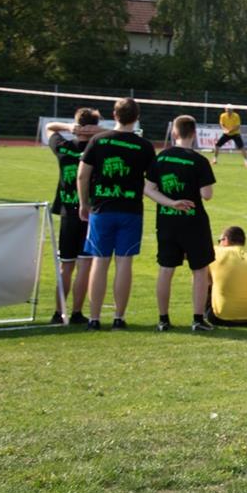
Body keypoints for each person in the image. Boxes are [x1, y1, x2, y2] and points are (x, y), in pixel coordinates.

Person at [77, 96, 157, 331]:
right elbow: (152, 181)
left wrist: (84, 203)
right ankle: (119, 318)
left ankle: (94, 318)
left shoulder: (99, 141)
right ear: (137, 117)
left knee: (100, 262)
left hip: (102, 208)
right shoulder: (144, 146)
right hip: (131, 209)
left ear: (114, 115)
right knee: (124, 263)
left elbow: (82, 175)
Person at [146, 115, 217, 332]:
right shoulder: (199, 160)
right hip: (194, 222)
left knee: (166, 269)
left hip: (167, 221)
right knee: (199, 269)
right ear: (194, 134)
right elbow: (207, 195)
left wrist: (171, 202)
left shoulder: (161, 158)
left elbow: (148, 189)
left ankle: (163, 320)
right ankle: (197, 319)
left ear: (174, 133)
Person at [43, 108, 103, 324]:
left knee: (65, 265)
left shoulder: (63, 147)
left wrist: (68, 128)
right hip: (91, 212)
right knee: (85, 265)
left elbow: (49, 127)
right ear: (95, 124)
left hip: (68, 212)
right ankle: (77, 312)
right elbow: (128, 136)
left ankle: (58, 313)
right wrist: (98, 131)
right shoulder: (99, 148)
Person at [206, 226, 247, 325]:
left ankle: (200, 316)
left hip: (221, 318)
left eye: (220, 240)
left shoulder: (215, 252)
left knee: (202, 274)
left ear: (225, 239)